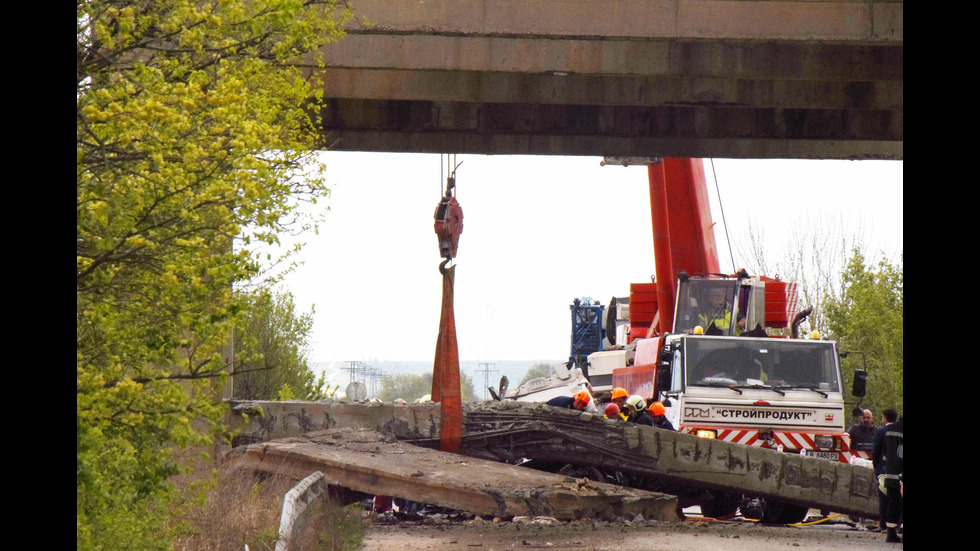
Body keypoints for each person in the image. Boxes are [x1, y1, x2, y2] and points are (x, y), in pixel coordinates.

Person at [871, 408, 898, 533]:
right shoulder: (899, 430)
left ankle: (883, 524)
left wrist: (876, 465)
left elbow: (876, 451)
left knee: (883, 498)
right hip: (897, 469)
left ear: (884, 418)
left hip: (883, 469)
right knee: (896, 498)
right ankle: (896, 524)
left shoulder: (881, 432)